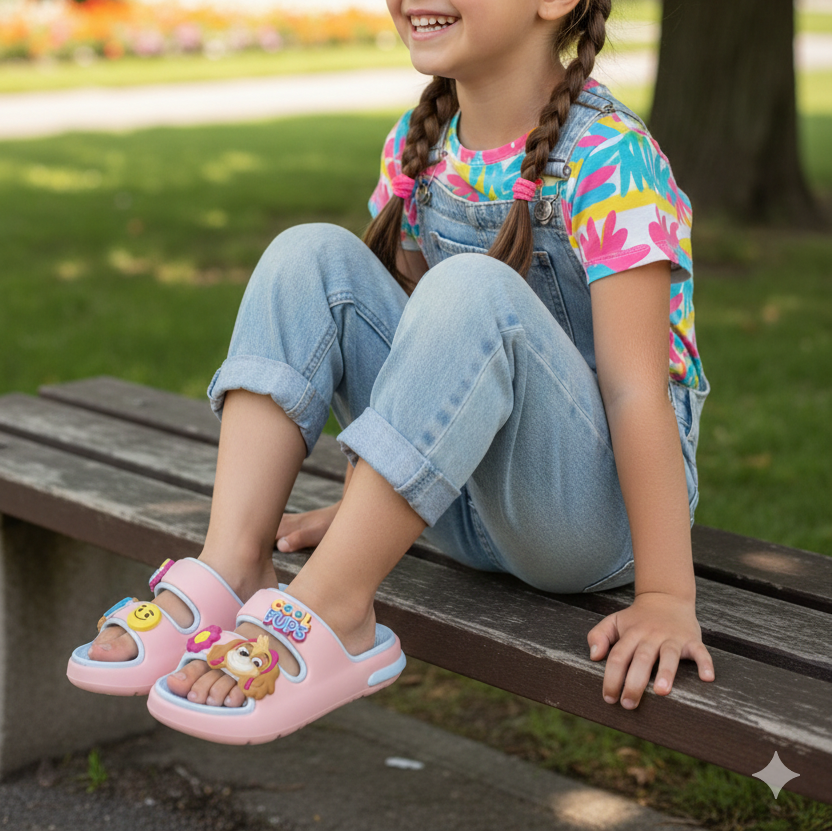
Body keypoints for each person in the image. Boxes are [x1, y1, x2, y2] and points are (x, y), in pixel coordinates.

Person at [68, 0, 715, 743]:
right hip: (459, 505)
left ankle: (336, 610)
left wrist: (666, 594)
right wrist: (358, 517)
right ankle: (234, 564)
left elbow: (638, 392)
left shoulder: (611, 157)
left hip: (589, 522)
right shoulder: (419, 144)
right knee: (308, 253)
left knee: (471, 289)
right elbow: (417, 363)